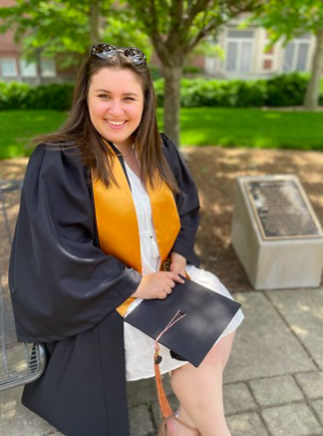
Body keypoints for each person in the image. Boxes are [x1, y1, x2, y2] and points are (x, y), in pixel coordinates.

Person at [8, 43, 244, 436]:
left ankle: (185, 423)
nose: (116, 111)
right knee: (197, 348)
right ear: (85, 96)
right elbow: (58, 251)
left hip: (165, 280)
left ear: (145, 101)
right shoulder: (60, 160)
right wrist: (136, 283)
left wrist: (181, 253)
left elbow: (186, 207)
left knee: (219, 327)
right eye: (104, 96)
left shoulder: (158, 149)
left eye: (128, 98)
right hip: (100, 299)